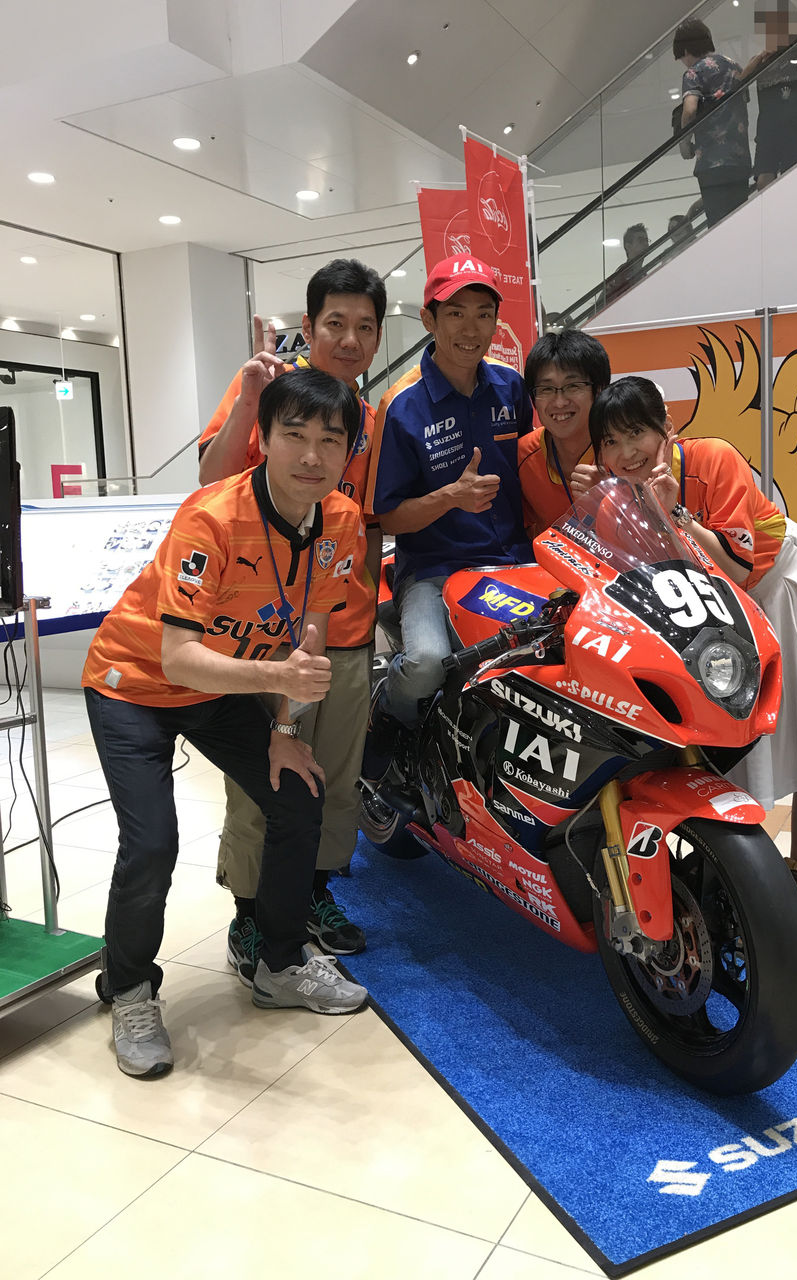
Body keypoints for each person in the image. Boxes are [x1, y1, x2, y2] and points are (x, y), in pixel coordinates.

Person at [83, 369, 369, 1077]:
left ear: (348, 452)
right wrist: (277, 684)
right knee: (153, 842)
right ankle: (129, 988)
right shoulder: (211, 518)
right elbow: (178, 658)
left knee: (298, 795)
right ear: (262, 439)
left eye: (330, 440)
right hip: (133, 685)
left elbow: (309, 635)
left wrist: (284, 730)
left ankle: (279, 963)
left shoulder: (339, 520)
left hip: (221, 687)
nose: (311, 455)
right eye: (294, 435)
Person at [587, 376, 797, 898]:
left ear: (666, 427)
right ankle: (738, 877)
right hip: (720, 614)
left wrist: (673, 512)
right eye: (610, 441)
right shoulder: (617, 501)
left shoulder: (712, 459)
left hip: (786, 586)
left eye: (636, 433)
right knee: (731, 739)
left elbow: (737, 568)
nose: (626, 452)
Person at [198, 259, 386, 964]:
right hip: (263, 631)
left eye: (365, 326)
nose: (350, 339)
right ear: (310, 326)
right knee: (263, 778)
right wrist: (250, 399)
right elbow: (208, 482)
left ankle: (314, 891)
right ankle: (249, 909)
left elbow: (369, 521)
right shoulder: (268, 390)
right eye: (335, 323)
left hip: (345, 630)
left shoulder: (371, 418)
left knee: (333, 775)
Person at [365, 253, 533, 744]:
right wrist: (450, 498)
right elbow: (388, 518)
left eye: (483, 314)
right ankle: (386, 720)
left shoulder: (511, 386)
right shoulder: (401, 405)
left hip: (513, 563)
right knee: (426, 664)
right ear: (428, 319)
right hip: (433, 572)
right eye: (455, 313)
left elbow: (536, 464)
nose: (470, 328)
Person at [519, 330, 611, 537]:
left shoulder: (627, 452)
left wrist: (611, 498)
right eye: (546, 389)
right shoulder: (522, 456)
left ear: (599, 390)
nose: (559, 402)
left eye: (573, 386)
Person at [673, 18, 752, 228]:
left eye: (681, 57)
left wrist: (684, 143)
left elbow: (690, 110)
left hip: (711, 163)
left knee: (718, 227)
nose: (684, 62)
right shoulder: (734, 65)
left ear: (686, 50)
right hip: (740, 160)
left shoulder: (694, 72)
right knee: (739, 224)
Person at [743, 3, 797, 190]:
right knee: (763, 182)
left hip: (793, 128)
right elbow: (740, 81)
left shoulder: (795, 48)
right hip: (767, 132)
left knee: (793, 181)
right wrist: (760, 57)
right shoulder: (761, 60)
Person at [605, 223, 649, 301]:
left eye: (646, 240)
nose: (646, 243)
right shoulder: (622, 273)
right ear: (628, 246)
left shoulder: (641, 272)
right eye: (641, 240)